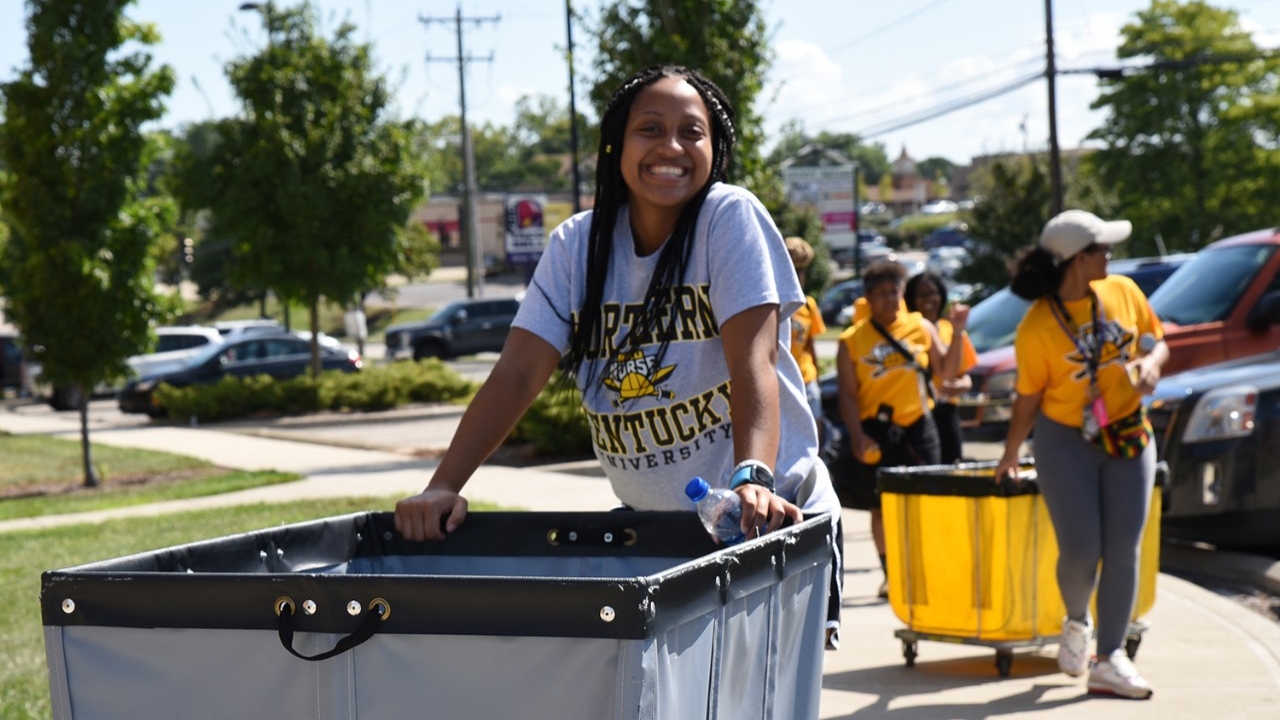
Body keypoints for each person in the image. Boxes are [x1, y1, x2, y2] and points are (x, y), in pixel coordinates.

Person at [394, 65, 844, 647]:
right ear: (617, 144)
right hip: (652, 535)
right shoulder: (575, 245)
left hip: (766, 524)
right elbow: (517, 372)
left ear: (716, 147)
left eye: (692, 132)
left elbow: (752, 363)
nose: (671, 147)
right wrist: (443, 486)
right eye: (650, 129)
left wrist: (751, 478)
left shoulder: (728, 218)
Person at [993, 209, 1167, 700]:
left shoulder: (1124, 291)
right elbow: (1028, 398)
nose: (1110, 255)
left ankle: (1110, 657)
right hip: (1065, 437)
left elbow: (1158, 340)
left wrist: (1151, 364)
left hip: (1129, 431)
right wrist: (1009, 454)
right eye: (1101, 249)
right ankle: (1075, 622)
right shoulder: (1036, 327)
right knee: (1081, 551)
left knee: (1123, 548)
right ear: (1076, 260)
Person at [834, 260, 969, 598]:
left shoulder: (921, 328)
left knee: (925, 501)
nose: (890, 300)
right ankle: (891, 573)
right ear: (867, 298)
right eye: (881, 294)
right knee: (881, 506)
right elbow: (848, 396)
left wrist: (959, 331)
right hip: (875, 430)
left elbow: (947, 372)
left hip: (919, 427)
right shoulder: (852, 340)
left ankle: (924, 568)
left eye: (894, 292)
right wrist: (856, 435)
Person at [904, 271, 977, 464]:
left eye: (932, 293)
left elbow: (964, 373)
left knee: (954, 467)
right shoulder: (910, 330)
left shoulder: (950, 327)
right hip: (920, 413)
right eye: (921, 294)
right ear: (911, 299)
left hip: (947, 409)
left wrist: (965, 384)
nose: (928, 299)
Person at [784, 236, 827, 438]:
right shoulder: (770, 305)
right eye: (793, 269)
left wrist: (816, 379)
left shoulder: (808, 305)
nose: (798, 276)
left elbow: (810, 345)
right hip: (783, 380)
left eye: (802, 271)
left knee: (814, 432)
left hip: (806, 378)